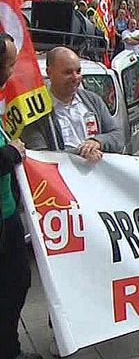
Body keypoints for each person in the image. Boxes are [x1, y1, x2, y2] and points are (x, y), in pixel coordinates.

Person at [0, 33, 41, 359]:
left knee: (17, 282)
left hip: (8, 212)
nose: (12, 71)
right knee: (13, 284)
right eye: (9, 63)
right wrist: (13, 153)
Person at [21, 47, 124, 159]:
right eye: (68, 72)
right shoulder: (35, 110)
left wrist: (97, 142)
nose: (75, 77)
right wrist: (83, 152)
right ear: (49, 73)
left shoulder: (93, 101)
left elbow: (118, 136)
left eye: (78, 71)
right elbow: (39, 154)